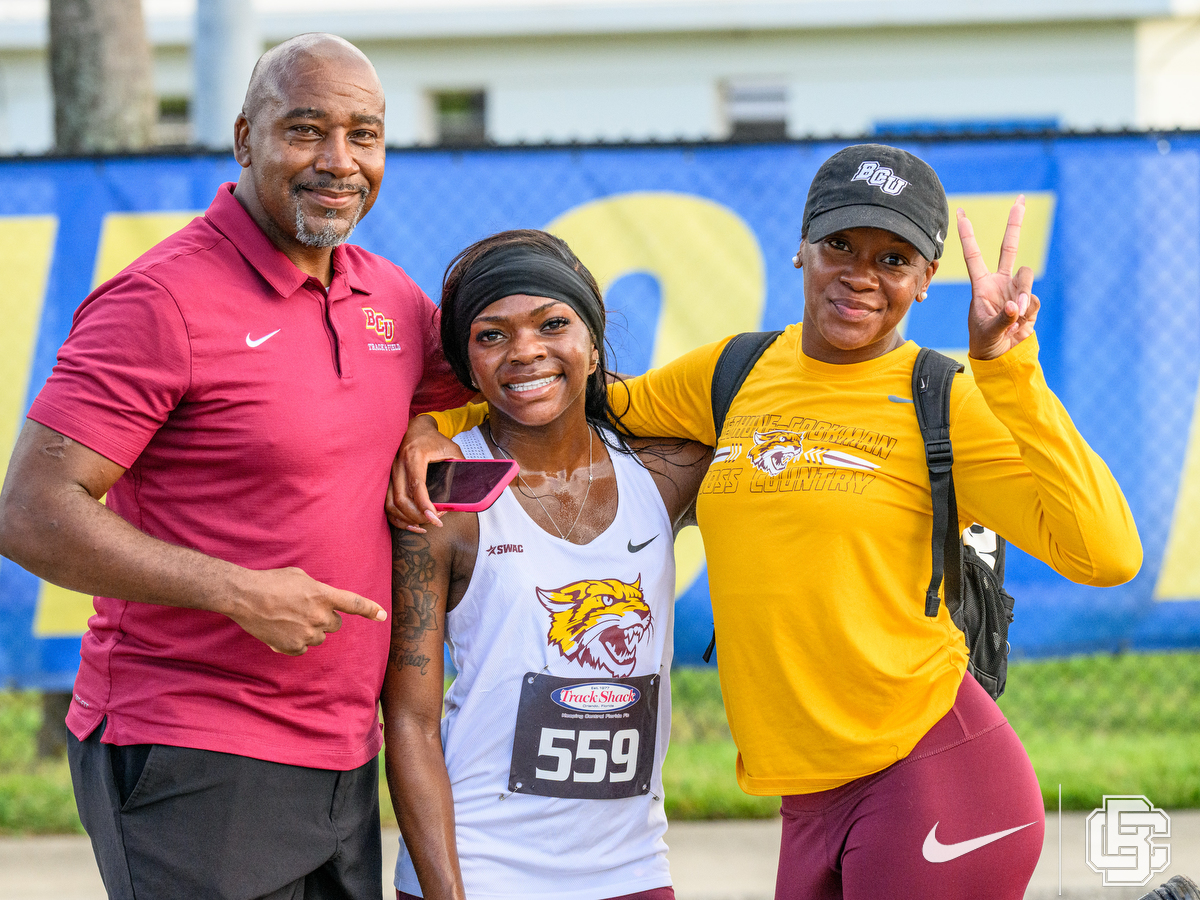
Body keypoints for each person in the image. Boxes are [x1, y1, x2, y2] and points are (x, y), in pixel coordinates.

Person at [389, 144, 1143, 900]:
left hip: (931, 770)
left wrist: (1010, 371)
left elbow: (1105, 553)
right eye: (840, 244)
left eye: (893, 258)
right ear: (802, 248)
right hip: (807, 799)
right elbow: (562, 393)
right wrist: (435, 424)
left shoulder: (942, 398)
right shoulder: (735, 373)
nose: (859, 273)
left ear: (924, 281)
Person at [0, 34, 471, 900]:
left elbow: (483, 384)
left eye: (363, 135)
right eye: (306, 130)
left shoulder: (389, 297)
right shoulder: (161, 300)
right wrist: (236, 590)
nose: (339, 162)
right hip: (193, 747)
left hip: (342, 749)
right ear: (243, 138)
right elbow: (30, 511)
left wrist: (427, 421)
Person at [382, 230, 710, 900]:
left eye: (553, 324)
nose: (526, 351)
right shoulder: (446, 495)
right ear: (466, 366)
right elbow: (409, 722)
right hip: (481, 867)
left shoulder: (665, 474)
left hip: (632, 870)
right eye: (491, 335)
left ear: (593, 342)